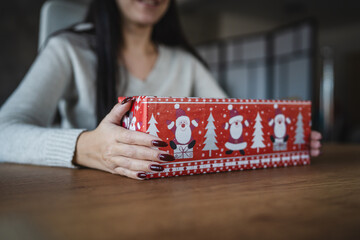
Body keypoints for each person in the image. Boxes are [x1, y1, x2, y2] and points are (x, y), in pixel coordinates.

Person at [0, 0, 322, 180]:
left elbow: (229, 120)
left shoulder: (185, 63)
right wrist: (88, 147)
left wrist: (283, 136)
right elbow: (4, 131)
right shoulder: (68, 50)